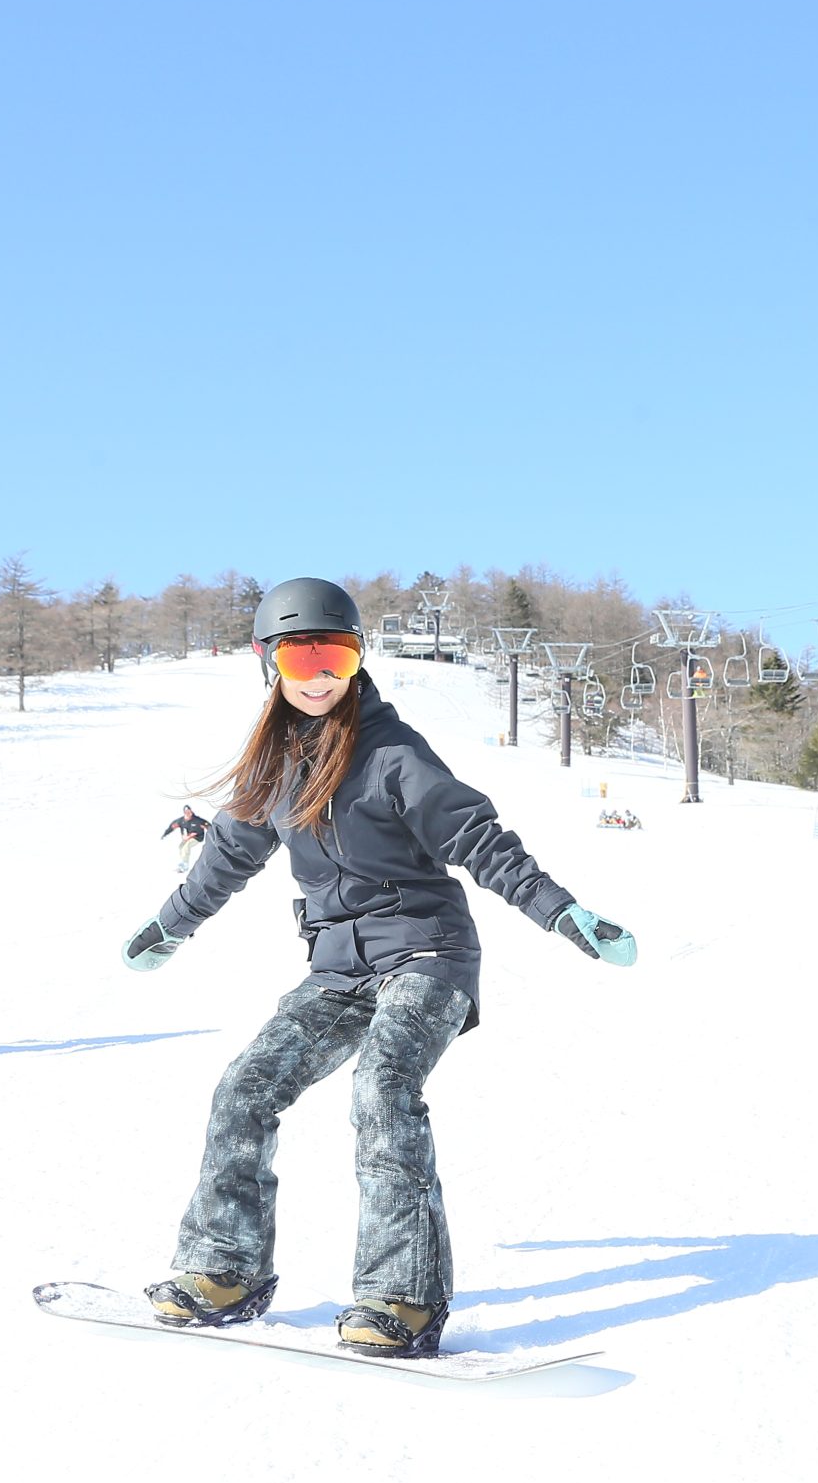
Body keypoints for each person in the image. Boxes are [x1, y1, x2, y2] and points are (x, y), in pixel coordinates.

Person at [120, 577, 636, 1359]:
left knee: (383, 1085)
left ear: (358, 659)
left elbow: (477, 839)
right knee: (245, 1087)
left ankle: (405, 1295)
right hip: (338, 971)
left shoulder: (393, 753)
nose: (320, 671)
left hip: (428, 952)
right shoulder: (275, 767)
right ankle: (225, 1269)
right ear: (271, 664)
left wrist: (561, 911)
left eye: (337, 651)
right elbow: (224, 859)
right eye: (302, 654)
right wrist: (169, 926)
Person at [161, 804, 210, 873]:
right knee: (181, 847)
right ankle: (182, 862)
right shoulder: (181, 821)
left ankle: (185, 865)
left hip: (197, 837)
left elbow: (208, 826)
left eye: (189, 812)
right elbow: (172, 827)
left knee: (186, 847)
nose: (188, 814)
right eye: (186, 812)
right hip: (187, 837)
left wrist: (212, 834)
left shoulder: (198, 820)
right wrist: (165, 834)